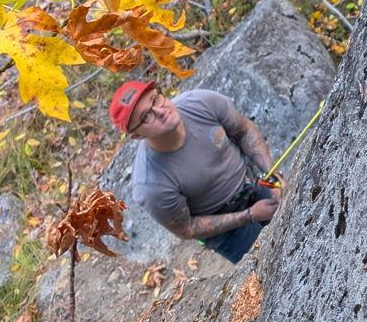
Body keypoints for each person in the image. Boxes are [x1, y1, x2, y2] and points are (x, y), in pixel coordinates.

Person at [111, 78, 280, 263]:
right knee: (271, 262)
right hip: (226, 230)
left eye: (155, 99)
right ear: (137, 135)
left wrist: (273, 176)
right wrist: (250, 215)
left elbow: (244, 131)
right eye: (146, 116)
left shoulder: (200, 102)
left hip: (254, 182)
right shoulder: (150, 184)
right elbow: (187, 228)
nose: (160, 111)